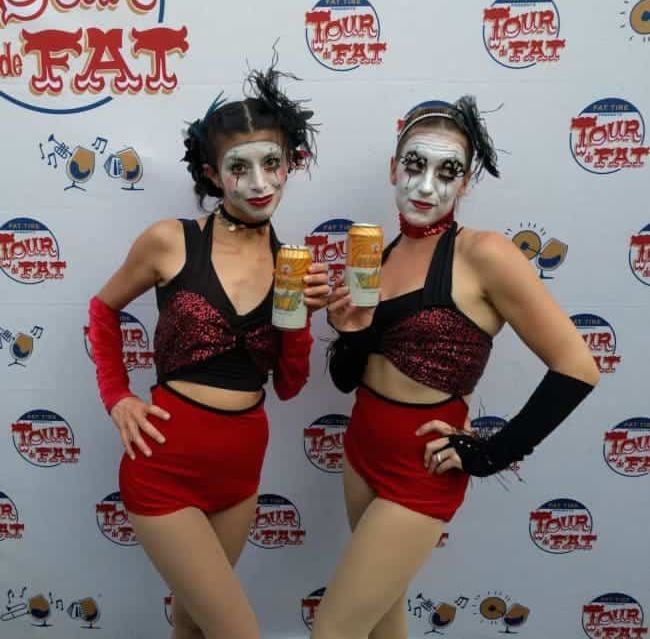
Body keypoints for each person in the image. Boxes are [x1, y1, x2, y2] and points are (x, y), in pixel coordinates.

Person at [313, 97, 599, 639]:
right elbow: (348, 379)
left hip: (420, 469)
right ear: (393, 168)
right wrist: (350, 335)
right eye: (415, 166)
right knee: (382, 624)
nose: (425, 186)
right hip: (361, 450)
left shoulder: (484, 254)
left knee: (334, 630)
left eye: (447, 172)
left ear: (466, 183)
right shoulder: (381, 253)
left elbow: (577, 366)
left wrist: (494, 452)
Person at [87, 59, 329, 639]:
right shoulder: (171, 241)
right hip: (165, 466)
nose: (259, 182)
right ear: (212, 174)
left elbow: (290, 386)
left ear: (290, 163)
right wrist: (116, 394)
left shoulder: (290, 262)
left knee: (194, 630)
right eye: (238, 167)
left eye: (272, 163)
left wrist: (300, 319)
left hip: (240, 471)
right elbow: (102, 310)